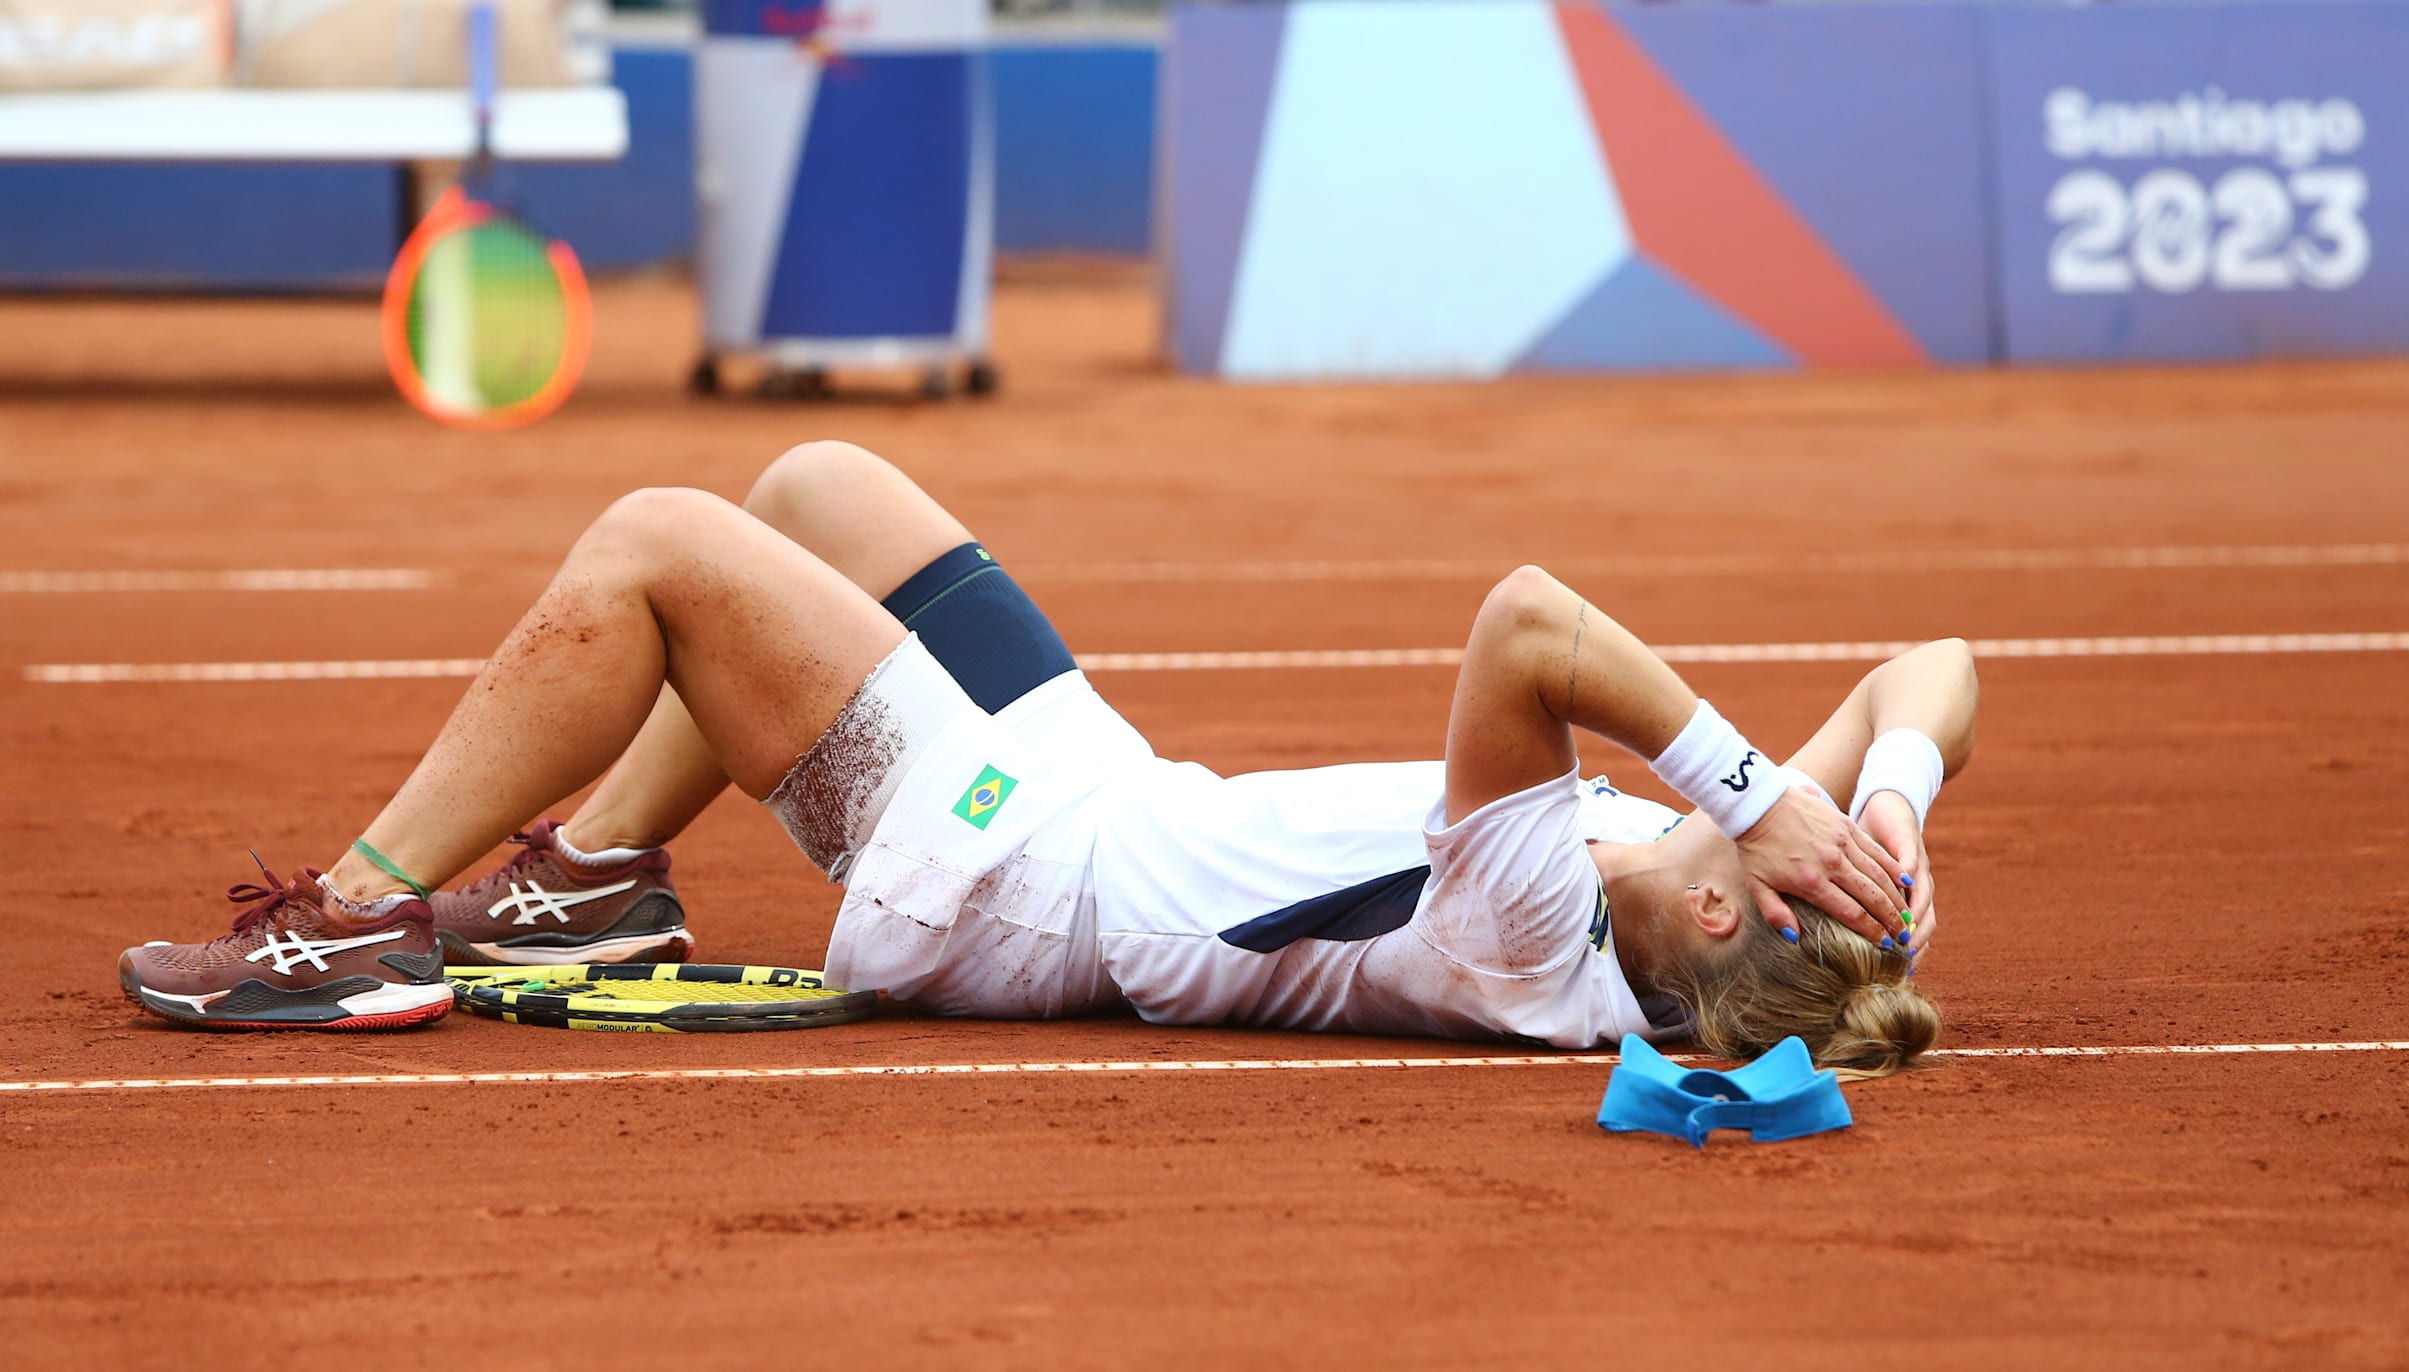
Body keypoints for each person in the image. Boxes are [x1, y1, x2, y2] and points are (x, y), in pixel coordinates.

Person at [121, 442, 1974, 1074]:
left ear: (1734, 889)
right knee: (814, 495)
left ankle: (359, 921)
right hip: (1095, 782)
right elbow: (1935, 665)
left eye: (1748, 835)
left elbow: (1528, 622)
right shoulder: (1725, 903)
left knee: (659, 544)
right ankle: (597, 887)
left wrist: (1752, 774)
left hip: (1004, 879)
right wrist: (1878, 801)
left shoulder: (1536, 916)